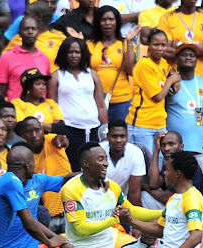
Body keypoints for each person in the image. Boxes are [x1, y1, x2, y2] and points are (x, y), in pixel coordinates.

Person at [47, 37, 108, 171]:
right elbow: (52, 106)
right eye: (70, 52)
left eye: (77, 52)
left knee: (95, 168)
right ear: (64, 54)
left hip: (94, 129)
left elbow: (101, 105)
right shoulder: (56, 76)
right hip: (70, 130)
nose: (74, 55)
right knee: (74, 168)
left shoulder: (92, 74)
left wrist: (105, 129)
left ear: (83, 54)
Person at [165, 43, 203, 185]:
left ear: (196, 60)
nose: (188, 58)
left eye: (192, 55)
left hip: (198, 150)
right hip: (173, 152)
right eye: (184, 55)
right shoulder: (170, 82)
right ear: (176, 59)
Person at [126, 29, 177, 158]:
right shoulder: (144, 65)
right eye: (156, 45)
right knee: (145, 167)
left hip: (159, 123)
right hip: (142, 125)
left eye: (163, 45)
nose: (160, 48)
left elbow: (174, 78)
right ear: (148, 45)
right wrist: (171, 80)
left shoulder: (164, 64)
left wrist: (174, 79)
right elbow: (157, 97)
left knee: (159, 167)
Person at [16, 117, 71, 226]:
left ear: (43, 131)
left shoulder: (50, 140)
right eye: (29, 132)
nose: (34, 135)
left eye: (37, 130)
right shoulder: (26, 158)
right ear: (22, 134)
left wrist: (61, 140)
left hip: (69, 210)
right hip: (49, 216)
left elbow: (60, 140)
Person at [88, 6, 140, 122]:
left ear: (117, 22)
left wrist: (130, 43)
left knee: (119, 137)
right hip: (95, 99)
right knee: (99, 136)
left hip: (122, 100)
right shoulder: (90, 45)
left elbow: (130, 70)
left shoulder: (125, 43)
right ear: (98, 22)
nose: (107, 23)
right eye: (103, 20)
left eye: (111, 19)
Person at [157, 0, 203, 86]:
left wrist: (178, 45)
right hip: (176, 81)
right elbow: (164, 50)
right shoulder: (167, 18)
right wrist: (201, 48)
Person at [0, 16, 51, 102]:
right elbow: (0, 92)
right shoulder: (6, 57)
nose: (30, 32)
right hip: (17, 111)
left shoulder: (44, 58)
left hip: (40, 112)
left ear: (38, 32)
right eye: (26, 29)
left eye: (33, 29)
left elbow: (47, 90)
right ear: (19, 33)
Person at [2, 1, 65, 74]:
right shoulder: (19, 38)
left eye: (27, 15)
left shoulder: (59, 38)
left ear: (38, 18)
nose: (23, 18)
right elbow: (4, 65)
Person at [99, 119, 145, 206]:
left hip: (123, 200)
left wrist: (134, 217)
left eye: (122, 136)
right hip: (99, 199)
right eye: (114, 136)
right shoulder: (97, 151)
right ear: (107, 136)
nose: (118, 140)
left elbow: (134, 193)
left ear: (127, 137)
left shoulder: (136, 153)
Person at [12, 69, 63, 134]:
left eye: (44, 84)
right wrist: (50, 126)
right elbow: (20, 127)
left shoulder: (51, 103)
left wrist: (33, 126)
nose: (42, 87)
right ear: (28, 87)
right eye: (38, 84)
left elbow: (61, 127)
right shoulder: (17, 103)